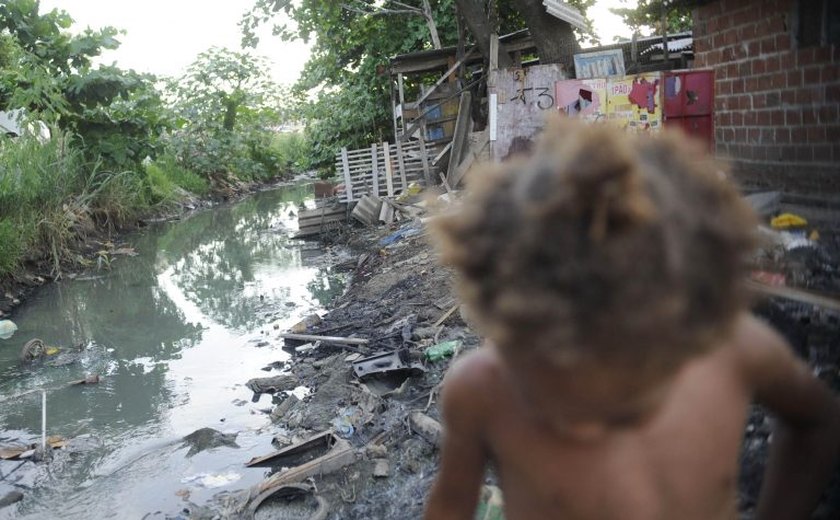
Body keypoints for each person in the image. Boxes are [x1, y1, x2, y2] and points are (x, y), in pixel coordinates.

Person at [424, 117, 840, 520]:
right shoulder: (481, 389)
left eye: (634, 391)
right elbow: (448, 509)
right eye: (561, 382)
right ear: (508, 331)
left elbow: (816, 422)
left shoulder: (732, 347)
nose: (589, 430)